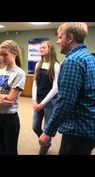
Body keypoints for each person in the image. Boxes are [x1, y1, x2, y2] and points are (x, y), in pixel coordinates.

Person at [39, 22, 95, 155]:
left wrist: (48, 131)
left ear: (69, 38)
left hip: (78, 130)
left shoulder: (72, 61)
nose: (57, 42)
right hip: (89, 127)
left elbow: (65, 101)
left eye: (60, 37)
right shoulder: (89, 57)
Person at [0, 40, 26, 155]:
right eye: (0, 55)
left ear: (14, 54)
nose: (1, 58)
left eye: (5, 55)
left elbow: (10, 98)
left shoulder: (19, 73)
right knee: (1, 148)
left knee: (10, 150)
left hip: (9, 119)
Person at [32, 41, 60, 155]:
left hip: (50, 102)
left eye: (43, 47)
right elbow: (35, 82)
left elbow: (55, 88)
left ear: (50, 49)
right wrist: (34, 100)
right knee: (35, 127)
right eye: (40, 48)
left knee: (47, 128)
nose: (41, 49)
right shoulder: (38, 64)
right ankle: (46, 142)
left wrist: (43, 103)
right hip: (37, 100)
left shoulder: (56, 65)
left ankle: (43, 149)